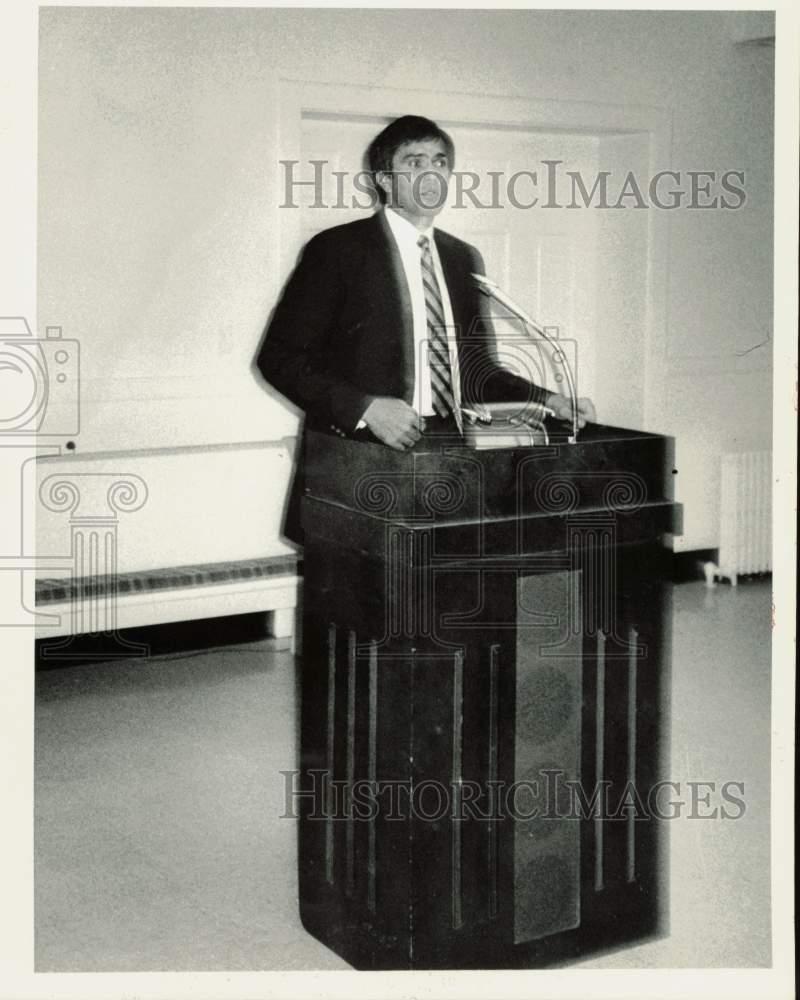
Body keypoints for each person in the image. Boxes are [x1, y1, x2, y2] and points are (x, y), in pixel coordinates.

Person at [257, 115, 596, 540]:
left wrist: (550, 401)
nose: (431, 174)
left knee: (444, 595)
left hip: (447, 457)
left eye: (439, 162)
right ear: (384, 179)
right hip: (360, 458)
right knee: (362, 601)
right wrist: (366, 408)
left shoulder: (462, 258)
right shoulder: (338, 250)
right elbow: (279, 358)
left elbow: (477, 372)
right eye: (414, 163)